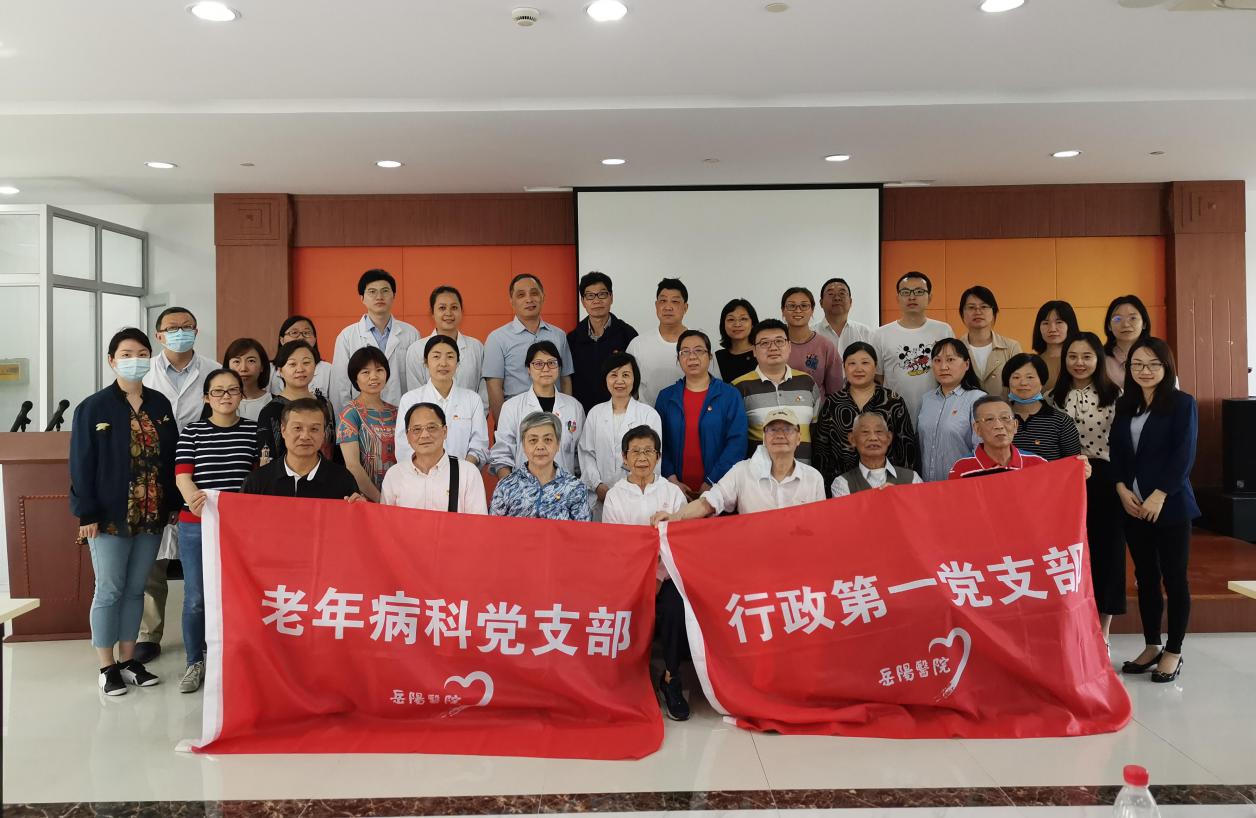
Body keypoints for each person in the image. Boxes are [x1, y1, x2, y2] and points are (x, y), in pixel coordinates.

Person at [70, 327, 178, 695]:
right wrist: (86, 513)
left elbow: (170, 457)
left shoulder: (159, 404)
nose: (135, 360)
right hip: (109, 517)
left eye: (142, 354)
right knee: (109, 590)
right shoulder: (93, 407)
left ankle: (129, 660)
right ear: (112, 360)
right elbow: (81, 464)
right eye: (127, 354)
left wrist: (172, 505)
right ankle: (107, 666)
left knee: (136, 590)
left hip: (151, 514)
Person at [136, 306, 219, 665]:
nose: (179, 332)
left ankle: (209, 633)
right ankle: (148, 634)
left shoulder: (213, 369)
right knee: (151, 556)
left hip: (202, 468)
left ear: (196, 331)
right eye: (172, 328)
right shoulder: (144, 371)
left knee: (205, 561)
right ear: (159, 335)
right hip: (152, 470)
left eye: (187, 326)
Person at [1111, 337, 1198, 684]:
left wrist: (1160, 494)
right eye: (1137, 364)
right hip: (1133, 507)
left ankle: (1173, 651)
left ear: (1166, 367)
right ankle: (1152, 645)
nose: (1144, 371)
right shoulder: (1125, 404)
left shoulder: (1182, 403)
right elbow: (1117, 452)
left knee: (1174, 578)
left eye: (1152, 364)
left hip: (1170, 506)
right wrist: (1120, 488)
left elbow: (1184, 453)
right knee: (1145, 578)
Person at [173, 368, 258, 693]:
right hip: (197, 525)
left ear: (241, 395)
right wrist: (195, 501)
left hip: (240, 529)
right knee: (196, 596)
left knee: (239, 595)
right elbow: (183, 476)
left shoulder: (253, 431)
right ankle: (195, 661)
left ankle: (234, 659)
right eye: (218, 391)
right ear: (206, 397)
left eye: (232, 390)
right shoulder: (192, 432)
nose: (226, 396)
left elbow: (257, 477)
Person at [601, 425, 690, 721]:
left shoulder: (672, 494)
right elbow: (615, 548)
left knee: (676, 609)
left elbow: (679, 544)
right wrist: (642, 578)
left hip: (667, 576)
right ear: (624, 457)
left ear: (658, 456)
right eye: (635, 451)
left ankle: (671, 678)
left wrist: (658, 576)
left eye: (648, 451)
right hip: (627, 577)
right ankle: (628, 679)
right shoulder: (615, 496)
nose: (642, 457)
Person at [1050, 332, 1126, 645]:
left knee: (1108, 551)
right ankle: (1072, 624)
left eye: (1087, 356)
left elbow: (1124, 443)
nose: (1079, 363)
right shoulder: (1053, 396)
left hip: (1105, 478)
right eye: (1072, 356)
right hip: (1064, 481)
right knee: (1070, 553)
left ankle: (1103, 631)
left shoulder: (1115, 394)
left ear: (1098, 359)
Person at [653, 407, 824, 520]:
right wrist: (675, 517)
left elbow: (820, 524)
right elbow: (710, 501)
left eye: (787, 429)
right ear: (764, 438)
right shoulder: (742, 471)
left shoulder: (814, 478)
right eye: (773, 429)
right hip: (755, 555)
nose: (780, 435)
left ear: (799, 437)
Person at [812, 341, 919, 490]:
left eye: (865, 363)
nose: (858, 369)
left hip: (888, 485)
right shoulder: (833, 403)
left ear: (875, 366)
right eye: (852, 363)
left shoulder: (893, 401)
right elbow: (821, 449)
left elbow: (907, 447)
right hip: (843, 486)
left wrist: (901, 485)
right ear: (844, 367)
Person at [656, 330, 748, 501]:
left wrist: (712, 481)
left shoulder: (729, 395)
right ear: (678, 359)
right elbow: (659, 443)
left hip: (721, 489)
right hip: (674, 491)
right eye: (685, 352)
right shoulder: (666, 397)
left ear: (710, 357)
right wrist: (671, 479)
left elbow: (737, 443)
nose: (692, 357)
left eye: (699, 350)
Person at [578, 352, 662, 520]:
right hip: (599, 497)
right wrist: (598, 486)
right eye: (613, 375)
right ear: (606, 379)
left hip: (637, 495)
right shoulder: (595, 413)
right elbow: (587, 454)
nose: (619, 381)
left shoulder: (648, 414)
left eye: (626, 375)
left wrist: (629, 487)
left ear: (634, 379)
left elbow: (653, 457)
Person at [328, 269, 421, 414]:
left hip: (403, 414)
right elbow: (340, 386)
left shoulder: (411, 334)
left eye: (385, 291)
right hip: (361, 417)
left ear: (394, 295)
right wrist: (347, 419)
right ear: (362, 298)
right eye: (372, 292)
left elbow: (417, 381)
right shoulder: (347, 336)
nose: (379, 297)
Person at [484, 274, 575, 421]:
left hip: (556, 416)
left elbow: (565, 379)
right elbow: (494, 386)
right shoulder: (497, 338)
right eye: (521, 295)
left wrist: (568, 416)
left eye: (534, 293)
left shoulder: (559, 335)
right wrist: (503, 424)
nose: (529, 299)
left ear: (543, 297)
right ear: (511, 301)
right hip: (517, 417)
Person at [490, 341, 585, 479]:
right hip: (523, 488)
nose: (546, 369)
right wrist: (510, 488)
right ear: (528, 369)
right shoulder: (511, 407)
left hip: (565, 488)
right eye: (538, 364)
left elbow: (581, 456)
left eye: (552, 363)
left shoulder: (574, 407)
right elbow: (502, 456)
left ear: (559, 367)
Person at [732, 319, 821, 464]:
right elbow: (735, 438)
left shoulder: (807, 383)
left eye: (779, 341)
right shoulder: (739, 387)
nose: (773, 347)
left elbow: (816, 431)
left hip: (804, 473)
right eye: (764, 343)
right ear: (754, 350)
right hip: (757, 474)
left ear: (789, 346)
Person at [241, 399, 365, 500]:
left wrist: (360, 510)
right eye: (297, 428)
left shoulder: (343, 480)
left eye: (314, 429)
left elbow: (352, 522)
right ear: (283, 430)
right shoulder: (257, 481)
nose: (305, 436)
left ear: (324, 433)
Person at [395, 335, 489, 468]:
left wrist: (460, 472)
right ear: (426, 362)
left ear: (458, 363)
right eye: (436, 356)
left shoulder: (472, 400)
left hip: (463, 476)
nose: (443, 363)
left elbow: (479, 445)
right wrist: (427, 472)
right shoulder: (410, 400)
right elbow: (404, 446)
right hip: (420, 476)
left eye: (450, 357)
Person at [872, 271, 953, 423]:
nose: (912, 297)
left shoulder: (943, 330)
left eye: (919, 292)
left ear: (930, 297)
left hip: (937, 414)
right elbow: (878, 377)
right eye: (905, 292)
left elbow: (953, 373)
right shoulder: (880, 334)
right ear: (897, 298)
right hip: (894, 415)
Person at [380, 402, 488, 514]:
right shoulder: (394, 475)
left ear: (445, 431)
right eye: (416, 429)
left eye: (431, 427)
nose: (424, 435)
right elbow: (385, 521)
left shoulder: (468, 473)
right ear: (407, 436)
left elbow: (477, 523)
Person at [489, 411, 591, 520]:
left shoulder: (575, 488)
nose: (540, 446)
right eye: (533, 440)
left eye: (547, 440)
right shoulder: (506, 486)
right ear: (523, 445)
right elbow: (493, 528)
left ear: (558, 444)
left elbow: (582, 530)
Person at [626, 278, 708, 407]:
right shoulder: (638, 344)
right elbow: (628, 389)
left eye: (675, 301)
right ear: (656, 305)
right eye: (663, 301)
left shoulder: (700, 343)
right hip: (647, 417)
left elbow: (713, 383)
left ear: (685, 307)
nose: (668, 307)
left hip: (692, 415)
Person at [403, 286, 488, 409]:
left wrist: (475, 415)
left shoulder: (476, 347)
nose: (448, 313)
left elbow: (483, 392)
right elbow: (415, 395)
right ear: (432, 313)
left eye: (454, 307)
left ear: (461, 311)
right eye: (442, 308)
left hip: (468, 417)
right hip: (428, 418)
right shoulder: (416, 350)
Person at [257, 340, 339, 465]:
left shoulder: (325, 404)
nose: (300, 369)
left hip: (326, 474)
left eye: (306, 363)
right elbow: (267, 460)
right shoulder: (271, 410)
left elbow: (333, 447)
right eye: (292, 364)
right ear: (280, 371)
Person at [567, 272, 639, 412]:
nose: (596, 301)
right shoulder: (573, 338)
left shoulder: (627, 334)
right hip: (583, 412)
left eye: (602, 294)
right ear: (583, 301)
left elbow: (635, 377)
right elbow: (568, 379)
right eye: (590, 296)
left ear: (611, 297)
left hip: (619, 411)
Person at [918, 339, 987, 482]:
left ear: (966, 364)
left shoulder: (977, 399)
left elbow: (981, 449)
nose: (943, 367)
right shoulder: (927, 399)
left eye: (950, 360)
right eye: (937, 360)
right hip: (927, 485)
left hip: (962, 485)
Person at [336, 346, 398, 502]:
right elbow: (352, 466)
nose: (374, 377)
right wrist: (380, 500)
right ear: (355, 378)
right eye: (366, 372)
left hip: (398, 496)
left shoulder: (397, 412)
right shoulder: (350, 414)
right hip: (365, 499)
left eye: (379, 370)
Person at [1004, 352, 1082, 462]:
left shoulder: (1061, 422)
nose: (1023, 383)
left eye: (1030, 377)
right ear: (1007, 381)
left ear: (1042, 381)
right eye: (1016, 377)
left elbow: (1073, 464)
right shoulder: (999, 420)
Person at [948, 396, 1049, 479]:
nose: (999, 426)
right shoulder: (961, 469)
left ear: (1015, 425)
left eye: (1005, 418)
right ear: (977, 429)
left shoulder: (1038, 464)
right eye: (989, 419)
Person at [831, 412, 922, 497]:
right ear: (852, 439)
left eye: (879, 431)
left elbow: (921, 508)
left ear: (889, 438)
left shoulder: (912, 478)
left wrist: (898, 497)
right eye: (865, 432)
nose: (873, 438)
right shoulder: (842, 483)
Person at [959, 285, 1023, 397]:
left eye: (984, 306)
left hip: (1003, 408)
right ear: (962, 313)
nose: (978, 311)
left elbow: (1020, 386)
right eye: (971, 307)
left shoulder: (1011, 347)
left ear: (994, 312)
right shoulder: (955, 349)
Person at [781, 286, 843, 397]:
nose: (798, 310)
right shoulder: (775, 344)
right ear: (783, 310)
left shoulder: (825, 346)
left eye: (804, 306)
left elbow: (835, 392)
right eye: (791, 306)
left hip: (816, 407)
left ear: (812, 310)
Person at [271, 315, 334, 397]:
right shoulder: (269, 369)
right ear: (282, 340)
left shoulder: (328, 370)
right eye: (294, 333)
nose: (301, 337)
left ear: (315, 339)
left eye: (306, 333)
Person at [814, 277, 874, 354]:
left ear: (850, 301)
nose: (837, 298)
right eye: (831, 294)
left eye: (842, 293)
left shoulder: (866, 333)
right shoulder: (810, 333)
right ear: (821, 303)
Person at [1030, 300, 1081, 391]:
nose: (1052, 329)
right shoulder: (1032, 363)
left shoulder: (1081, 361)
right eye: (1046, 323)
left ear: (1070, 325)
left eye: (1059, 322)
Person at [1104, 294, 1153, 386]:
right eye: (1117, 318)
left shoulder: (1157, 355)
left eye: (1133, 318)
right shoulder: (1101, 359)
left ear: (1144, 324)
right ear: (1109, 326)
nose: (1125, 324)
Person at [224, 337, 272, 421]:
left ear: (262, 366)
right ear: (227, 366)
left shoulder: (275, 402)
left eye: (251, 361)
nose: (243, 368)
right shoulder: (218, 402)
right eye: (237, 361)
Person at [714, 298, 759, 384]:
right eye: (731, 319)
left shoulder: (762, 353)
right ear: (723, 325)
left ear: (752, 323)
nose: (737, 324)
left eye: (743, 319)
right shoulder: (717, 358)